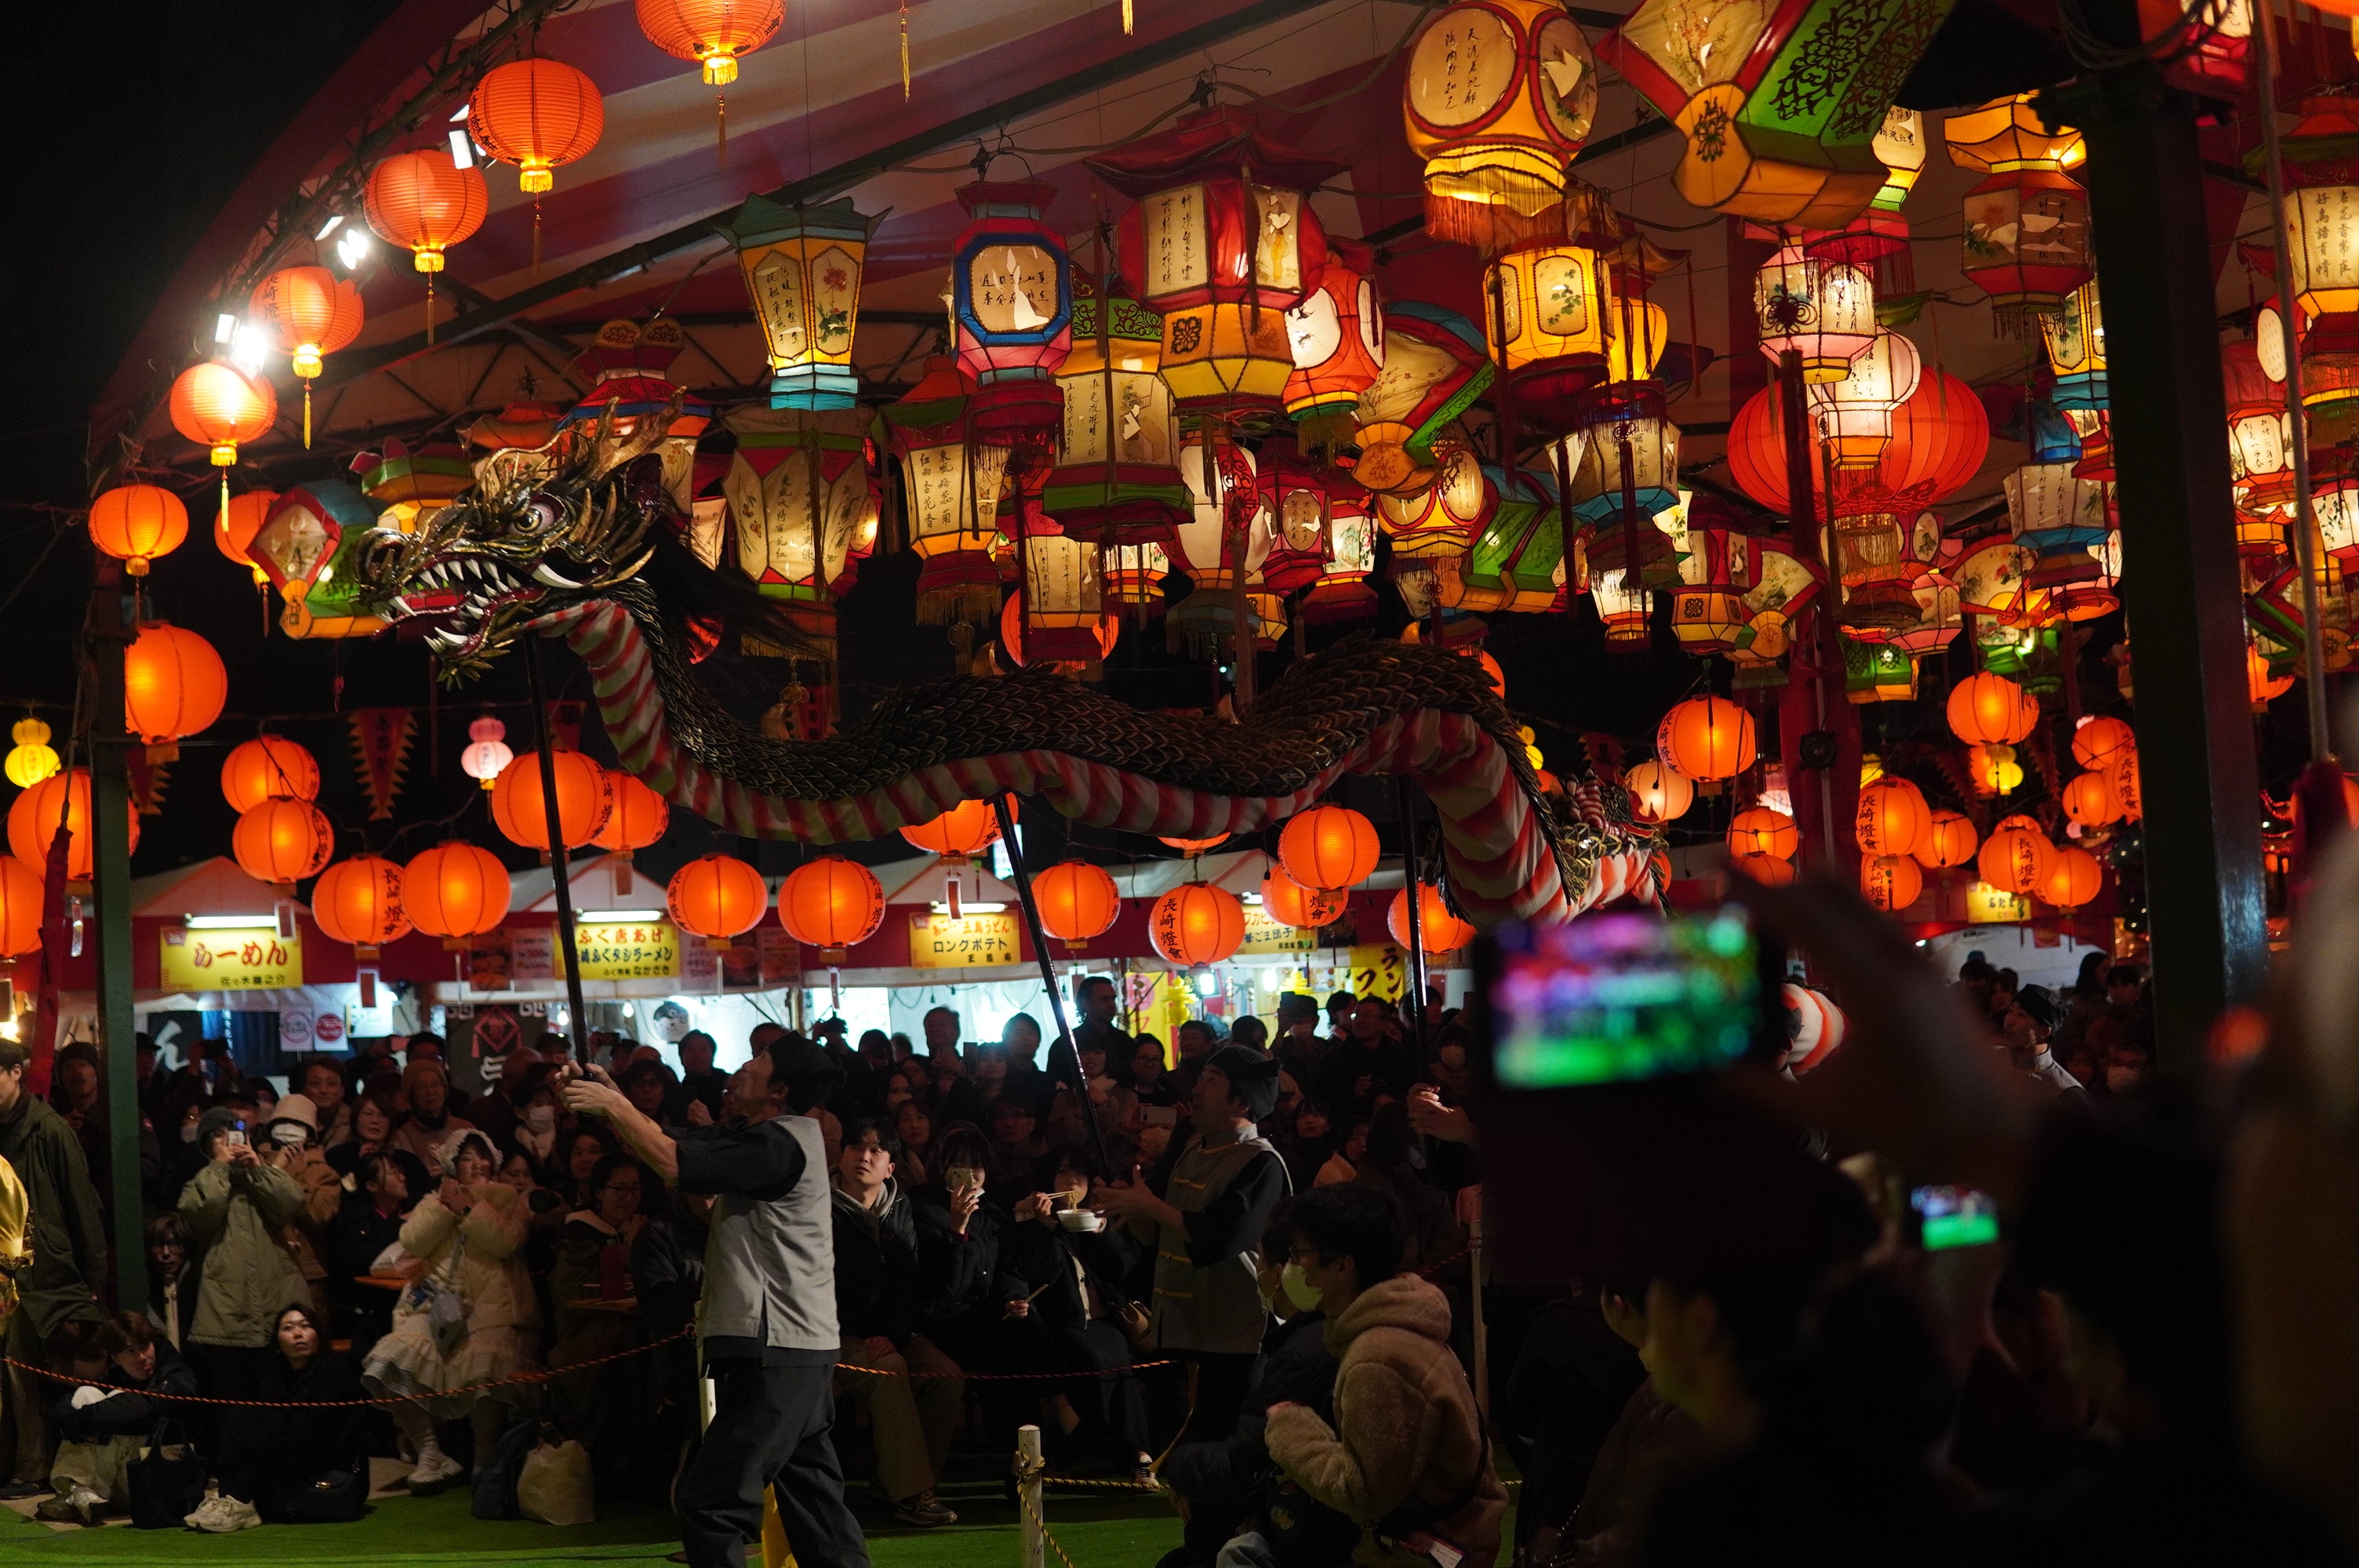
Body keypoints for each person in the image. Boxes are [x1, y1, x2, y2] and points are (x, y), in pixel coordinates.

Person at [560, 1029, 871, 1568]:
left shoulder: (778, 1144)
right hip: (796, 1350)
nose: (745, 1065)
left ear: (779, 1091)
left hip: (774, 1347)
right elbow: (669, 1142)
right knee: (816, 1511)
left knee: (711, 1505)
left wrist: (611, 1103)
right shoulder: (771, 1138)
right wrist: (611, 1098)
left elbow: (674, 1162)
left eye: (760, 1059)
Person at [1264, 1184, 1507, 1568]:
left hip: (1414, 1555)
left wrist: (1289, 1427)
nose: (1290, 1267)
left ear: (1343, 1265)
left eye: (1299, 1254)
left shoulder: (1379, 1360)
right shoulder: (1393, 1331)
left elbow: (1363, 1492)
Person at [1096, 1044, 1289, 1443]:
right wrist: (1134, 1210)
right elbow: (1166, 1234)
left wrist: (1149, 1204)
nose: (1197, 1089)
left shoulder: (1261, 1161)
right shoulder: (1191, 1153)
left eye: (1212, 1081)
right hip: (1189, 1324)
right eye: (1201, 1078)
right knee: (1191, 1444)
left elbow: (1222, 1237)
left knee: (1230, 1442)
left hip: (1237, 1331)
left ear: (1242, 1101)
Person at [1158, 1202, 1356, 1568]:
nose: (1267, 1272)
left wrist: (1176, 1468)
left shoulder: (1310, 1351)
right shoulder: (1329, 1334)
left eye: (1300, 1257)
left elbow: (1244, 1464)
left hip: (1327, 1534)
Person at [361, 1128, 537, 1490]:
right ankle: (429, 1452)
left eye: (483, 1155)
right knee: (393, 1357)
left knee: (486, 1366)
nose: (478, 1163)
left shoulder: (508, 1198)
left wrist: (469, 1207)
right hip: (438, 1307)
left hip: (494, 1307)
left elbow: (507, 1242)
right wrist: (446, 1206)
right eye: (468, 1157)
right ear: (452, 1165)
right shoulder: (432, 1201)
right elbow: (412, 1241)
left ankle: (483, 1460)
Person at [831, 1120, 961, 1526]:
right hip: (834, 1333)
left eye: (875, 1151)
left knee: (945, 1374)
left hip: (889, 1332)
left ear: (890, 1167)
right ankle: (912, 1495)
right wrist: (872, 1335)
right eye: (855, 1147)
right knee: (889, 1370)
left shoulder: (900, 1206)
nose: (863, 1156)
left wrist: (892, 1333)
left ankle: (895, 1482)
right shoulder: (819, 1207)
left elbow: (909, 1280)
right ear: (840, 1155)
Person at [0, 1036, 107, 1492]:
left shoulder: (49, 1130)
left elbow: (83, 1208)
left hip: (42, 1275)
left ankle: (34, 1470)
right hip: (8, 1274)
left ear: (15, 1073)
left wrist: (91, 1282)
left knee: (27, 1378)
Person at [191, 1303, 368, 1531]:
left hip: (326, 1459)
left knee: (261, 1425)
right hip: (289, 1455)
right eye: (288, 1328)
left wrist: (261, 1451)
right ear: (277, 1341)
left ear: (318, 1334)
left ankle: (237, 1498)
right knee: (243, 1415)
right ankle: (228, 1496)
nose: (298, 1334)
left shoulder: (335, 1372)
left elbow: (313, 1433)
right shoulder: (275, 1373)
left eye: (306, 1326)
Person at [179, 1106, 311, 1399]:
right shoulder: (201, 1181)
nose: (229, 1141)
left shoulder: (261, 1178)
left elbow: (291, 1202)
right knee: (234, 1403)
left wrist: (259, 1167)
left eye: (234, 1133)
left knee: (281, 1397)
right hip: (227, 1315)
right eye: (218, 1136)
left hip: (277, 1304)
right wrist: (219, 1167)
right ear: (206, 1145)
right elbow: (202, 1210)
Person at [35, 1312, 197, 1526]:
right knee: (86, 1394)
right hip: (124, 1474)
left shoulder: (175, 1372)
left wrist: (85, 1420)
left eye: (145, 1346)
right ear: (115, 1357)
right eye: (131, 1351)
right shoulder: (117, 1375)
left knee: (113, 1404)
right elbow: (67, 1404)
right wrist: (72, 1417)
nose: (142, 1357)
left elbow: (146, 1410)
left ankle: (76, 1491)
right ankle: (81, 1492)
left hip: (158, 1478)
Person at [548, 1153, 650, 1486]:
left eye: (634, 1188)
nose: (628, 1196)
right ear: (599, 1193)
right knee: (632, 1347)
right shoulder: (578, 1234)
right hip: (584, 1334)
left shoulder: (642, 1228)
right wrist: (624, 1258)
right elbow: (571, 1293)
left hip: (625, 1327)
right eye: (619, 1188)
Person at [260, 1094, 342, 1319]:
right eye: (283, 1123)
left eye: (298, 1125)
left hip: (306, 1270)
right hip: (262, 1266)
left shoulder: (323, 1172)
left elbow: (319, 1215)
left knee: (309, 1334)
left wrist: (294, 1175)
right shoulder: (255, 1163)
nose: (289, 1129)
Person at [327, 1150, 411, 1362]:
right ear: (372, 1186)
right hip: (366, 1312)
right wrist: (400, 1225)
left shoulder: (412, 1209)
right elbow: (366, 1259)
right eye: (392, 1173)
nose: (402, 1178)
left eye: (400, 1171)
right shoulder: (355, 1218)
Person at [388, 1060, 474, 1168]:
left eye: (435, 1084)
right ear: (411, 1094)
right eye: (421, 1086)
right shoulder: (400, 1138)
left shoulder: (465, 1129)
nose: (430, 1092)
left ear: (444, 1089)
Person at [2000, 986, 2085, 1094]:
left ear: (2044, 1032)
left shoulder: (2064, 1090)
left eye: (2021, 1015)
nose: (2009, 1021)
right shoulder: (1987, 1060)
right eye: (2011, 1011)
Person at [144, 1213, 198, 1351]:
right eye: (158, 1245)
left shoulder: (197, 1282)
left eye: (173, 1244)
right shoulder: (147, 1284)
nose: (166, 1252)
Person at [1073, 975, 1134, 1083]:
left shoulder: (1123, 1040)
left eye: (1113, 999)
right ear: (1085, 1003)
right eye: (1104, 999)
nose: (1112, 1005)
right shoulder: (1070, 1042)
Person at [296, 1057, 356, 1152]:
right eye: (315, 1083)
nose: (323, 1090)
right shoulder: (293, 1120)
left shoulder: (354, 1123)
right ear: (304, 1089)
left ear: (342, 1090)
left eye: (331, 1083)